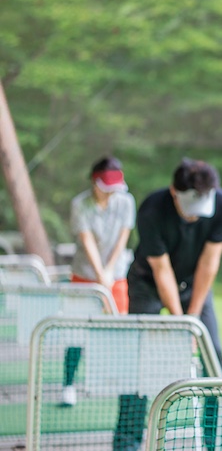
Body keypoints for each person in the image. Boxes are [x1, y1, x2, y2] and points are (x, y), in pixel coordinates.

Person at [115, 158, 222, 451]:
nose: (195, 213)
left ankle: (216, 444)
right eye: (189, 204)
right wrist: (182, 325)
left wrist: (191, 322)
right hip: (148, 284)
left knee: (213, 360)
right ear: (173, 191)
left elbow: (210, 264)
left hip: (195, 285)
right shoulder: (153, 209)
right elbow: (161, 269)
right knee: (138, 363)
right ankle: (124, 448)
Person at [62, 157, 136, 407]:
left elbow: (123, 237)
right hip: (84, 274)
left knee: (119, 327)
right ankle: (68, 385)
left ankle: (114, 381)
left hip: (116, 275)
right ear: (95, 182)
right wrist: (98, 274)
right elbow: (86, 240)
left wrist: (108, 272)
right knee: (77, 331)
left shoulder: (126, 202)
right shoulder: (80, 204)